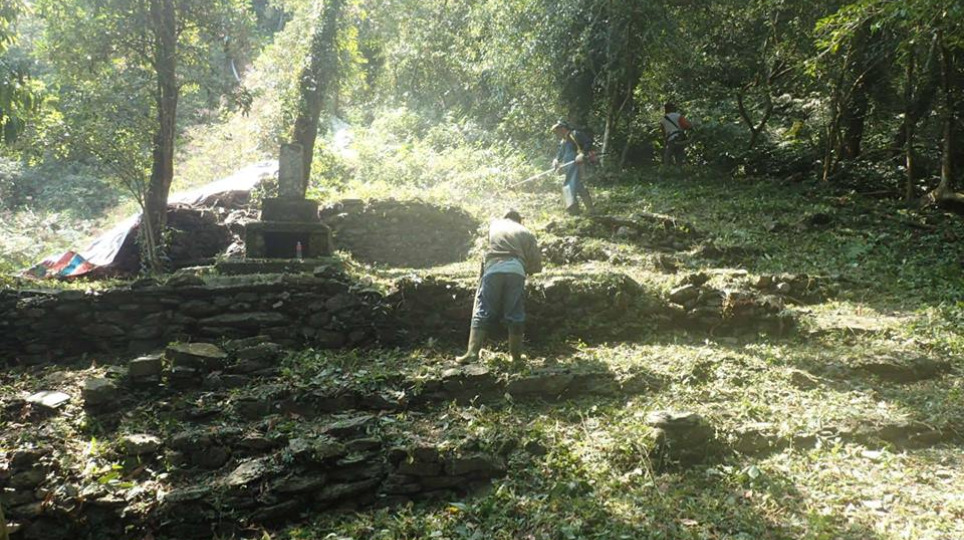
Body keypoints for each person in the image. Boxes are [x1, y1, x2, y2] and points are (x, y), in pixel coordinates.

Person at [457, 209, 542, 364]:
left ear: (506, 217)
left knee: (483, 309)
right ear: (519, 220)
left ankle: (472, 353)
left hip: (493, 268)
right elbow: (536, 264)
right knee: (515, 313)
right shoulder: (526, 231)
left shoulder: (495, 225)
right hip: (515, 269)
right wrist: (528, 269)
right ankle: (516, 357)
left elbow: (489, 248)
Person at [551, 120, 594, 215]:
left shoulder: (575, 134)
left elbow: (588, 142)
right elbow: (560, 154)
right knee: (578, 185)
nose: (556, 133)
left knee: (569, 184)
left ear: (563, 128)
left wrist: (582, 153)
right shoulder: (563, 141)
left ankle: (573, 210)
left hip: (577, 164)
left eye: (557, 130)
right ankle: (590, 209)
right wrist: (556, 160)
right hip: (568, 166)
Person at [659, 102, 692, 166]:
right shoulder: (678, 116)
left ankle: (668, 169)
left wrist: (665, 141)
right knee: (679, 157)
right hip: (679, 139)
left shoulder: (663, 119)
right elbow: (686, 126)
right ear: (672, 108)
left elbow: (663, 133)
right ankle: (679, 169)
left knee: (667, 157)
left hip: (670, 140)